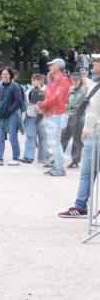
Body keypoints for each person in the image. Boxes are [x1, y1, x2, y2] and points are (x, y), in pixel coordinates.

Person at [58, 64, 100, 218]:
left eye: (98, 61)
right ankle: (80, 206)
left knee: (88, 173)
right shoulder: (94, 84)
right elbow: (91, 109)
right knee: (86, 173)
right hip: (92, 133)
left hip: (95, 131)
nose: (95, 64)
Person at [39, 58, 72, 176]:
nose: (49, 67)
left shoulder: (64, 80)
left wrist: (42, 105)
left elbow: (56, 98)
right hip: (51, 113)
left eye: (51, 65)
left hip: (56, 114)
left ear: (58, 67)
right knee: (53, 142)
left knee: (55, 142)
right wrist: (44, 106)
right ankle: (57, 166)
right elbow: (48, 96)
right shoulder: (52, 80)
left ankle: (60, 168)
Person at [0, 67, 24, 167]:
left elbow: (18, 101)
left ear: (10, 75)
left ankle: (16, 158)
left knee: (12, 137)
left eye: (6, 74)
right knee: (0, 137)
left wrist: (9, 111)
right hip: (2, 115)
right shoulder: (0, 86)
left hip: (12, 115)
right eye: (2, 74)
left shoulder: (15, 86)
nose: (4, 75)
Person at [62, 71, 88, 169]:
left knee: (77, 140)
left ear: (80, 80)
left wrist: (69, 104)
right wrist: (69, 95)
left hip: (77, 116)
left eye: (77, 80)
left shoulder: (82, 91)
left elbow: (75, 104)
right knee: (63, 137)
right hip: (69, 116)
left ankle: (75, 161)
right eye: (74, 79)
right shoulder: (72, 89)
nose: (75, 81)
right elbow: (66, 102)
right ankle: (58, 158)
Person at [22, 73, 49, 164]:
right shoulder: (29, 91)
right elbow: (26, 103)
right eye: (32, 80)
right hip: (31, 117)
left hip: (43, 118)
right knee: (30, 137)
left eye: (35, 80)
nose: (33, 82)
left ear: (40, 81)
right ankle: (28, 157)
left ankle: (43, 158)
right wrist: (24, 115)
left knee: (43, 139)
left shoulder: (46, 90)